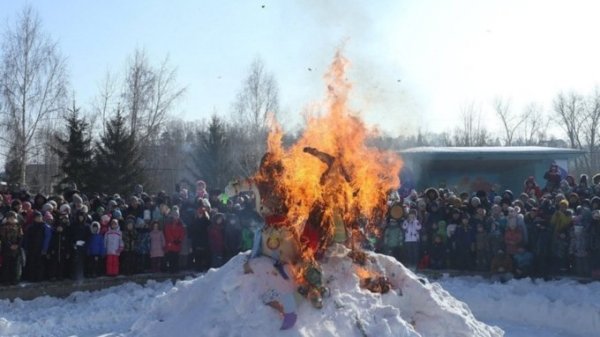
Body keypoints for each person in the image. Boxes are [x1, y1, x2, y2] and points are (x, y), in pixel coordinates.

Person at [23, 211, 52, 282]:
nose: (39, 218)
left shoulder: (45, 227)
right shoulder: (30, 227)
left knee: (40, 264)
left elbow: (47, 239)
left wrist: (45, 249)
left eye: (40, 217)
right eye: (37, 217)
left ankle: (39, 278)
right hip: (31, 248)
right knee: (32, 263)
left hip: (41, 248)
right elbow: (26, 238)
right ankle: (31, 278)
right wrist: (26, 248)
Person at [0, 211, 24, 285]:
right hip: (6, 248)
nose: (12, 219)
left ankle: (14, 279)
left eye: (13, 218)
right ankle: (5, 280)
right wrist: (10, 245)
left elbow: (21, 237)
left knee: (15, 265)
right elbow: (3, 238)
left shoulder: (18, 226)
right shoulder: (3, 227)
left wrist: (17, 245)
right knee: (6, 265)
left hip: (16, 249)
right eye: (10, 218)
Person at [164, 208, 185, 273]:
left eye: (177, 215)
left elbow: (182, 232)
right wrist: (173, 240)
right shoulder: (169, 222)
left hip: (178, 243)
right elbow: (167, 232)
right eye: (175, 214)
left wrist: (179, 240)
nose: (176, 216)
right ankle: (171, 269)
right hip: (171, 243)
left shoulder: (181, 223)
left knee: (176, 257)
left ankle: (176, 269)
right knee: (171, 257)